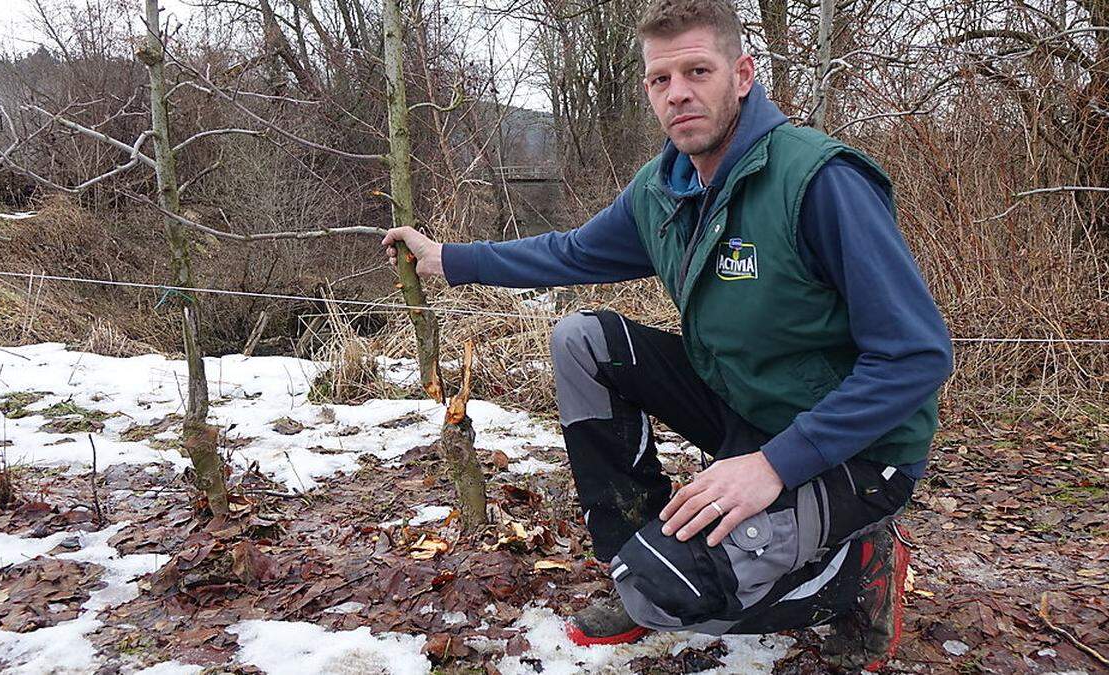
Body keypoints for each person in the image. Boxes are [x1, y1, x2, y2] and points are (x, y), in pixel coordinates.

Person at [382, 0, 953, 668]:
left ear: (741, 75)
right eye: (660, 79)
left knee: (669, 591)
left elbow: (917, 354)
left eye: (697, 70)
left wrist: (776, 465)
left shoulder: (818, 181)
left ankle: (858, 569)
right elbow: (569, 253)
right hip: (747, 412)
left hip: (858, 450)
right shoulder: (664, 190)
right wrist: (451, 259)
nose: (678, 91)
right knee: (580, 340)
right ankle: (641, 547)